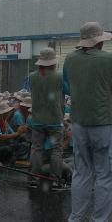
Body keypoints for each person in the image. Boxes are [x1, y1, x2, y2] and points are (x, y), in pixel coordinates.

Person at [64, 22, 112, 222]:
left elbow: (66, 86)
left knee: (81, 172)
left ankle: (76, 217)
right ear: (99, 41)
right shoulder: (108, 59)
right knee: (104, 175)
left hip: (78, 123)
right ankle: (100, 219)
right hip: (103, 123)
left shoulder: (70, 58)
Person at [29, 47, 66, 187]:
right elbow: (67, 90)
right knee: (57, 149)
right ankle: (55, 179)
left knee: (36, 148)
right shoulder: (59, 76)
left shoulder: (31, 76)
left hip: (37, 119)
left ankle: (34, 178)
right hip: (55, 120)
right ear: (53, 62)